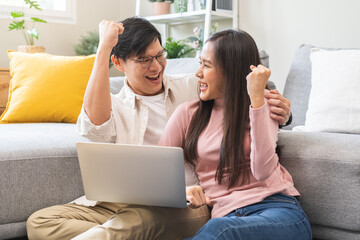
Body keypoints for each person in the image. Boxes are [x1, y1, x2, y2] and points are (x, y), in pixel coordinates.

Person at [26, 17, 293, 240]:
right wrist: (103, 49)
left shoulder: (190, 88)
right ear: (117, 63)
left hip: (184, 202)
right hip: (122, 204)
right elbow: (94, 129)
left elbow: (239, 81)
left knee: (138, 221)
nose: (156, 67)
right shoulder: (112, 105)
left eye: (159, 56)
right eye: (144, 60)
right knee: (38, 223)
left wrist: (280, 109)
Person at [158, 29, 312, 239]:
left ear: (230, 70)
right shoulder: (188, 113)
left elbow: (262, 171)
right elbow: (157, 172)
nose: (198, 73)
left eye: (207, 65)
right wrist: (183, 190)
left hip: (278, 213)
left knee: (219, 230)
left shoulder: (265, 106)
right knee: (220, 229)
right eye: (199, 63)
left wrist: (257, 100)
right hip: (227, 219)